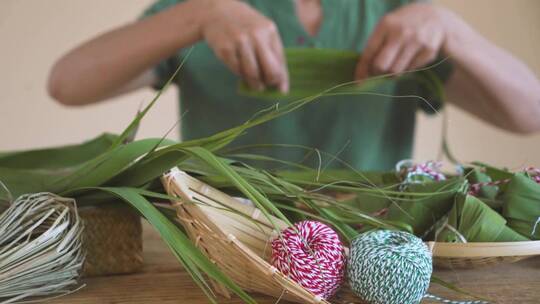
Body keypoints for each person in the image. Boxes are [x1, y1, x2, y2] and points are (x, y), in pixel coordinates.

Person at [48, 0, 540, 170]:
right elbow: (67, 83)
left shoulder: (396, 13)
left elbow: (528, 113)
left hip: (366, 251)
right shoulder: (208, 15)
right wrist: (198, 15)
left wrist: (451, 29)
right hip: (224, 243)